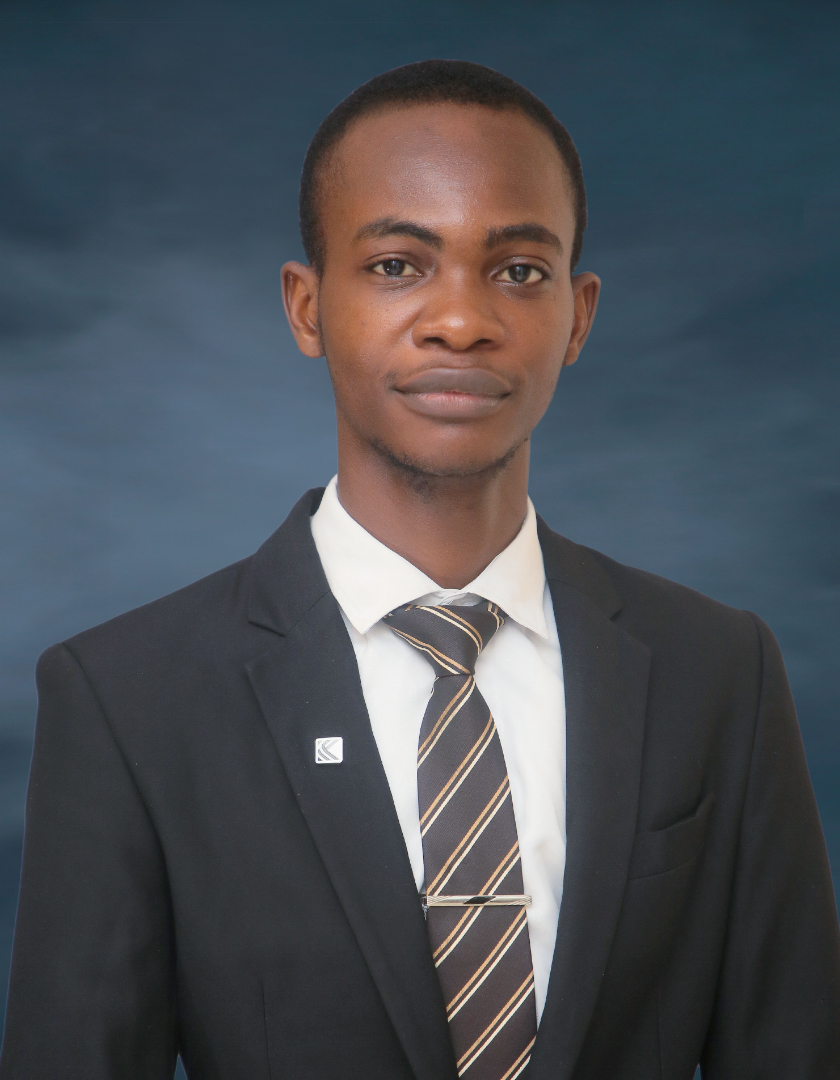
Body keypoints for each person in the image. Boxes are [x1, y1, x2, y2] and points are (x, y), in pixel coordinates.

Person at [1, 59, 838, 1080]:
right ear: (307, 308)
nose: (459, 319)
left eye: (518, 270)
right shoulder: (128, 700)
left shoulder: (720, 672)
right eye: (399, 264)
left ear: (579, 315)